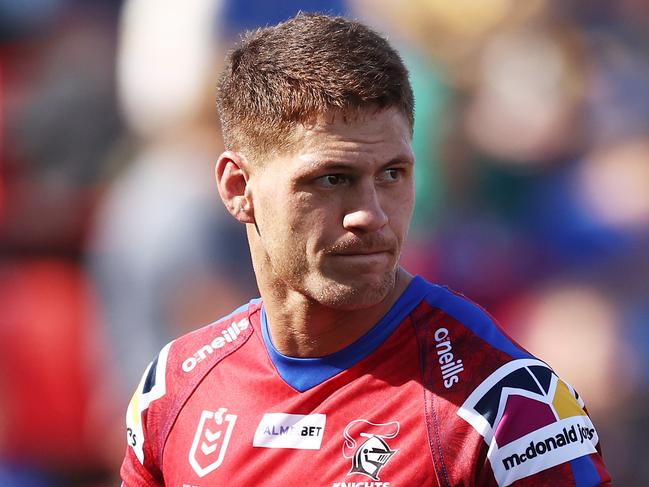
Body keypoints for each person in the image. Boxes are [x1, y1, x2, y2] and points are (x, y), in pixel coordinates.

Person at [120, 13, 611, 486]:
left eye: (392, 174)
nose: (372, 214)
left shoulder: (504, 406)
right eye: (333, 179)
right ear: (237, 187)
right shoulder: (175, 388)